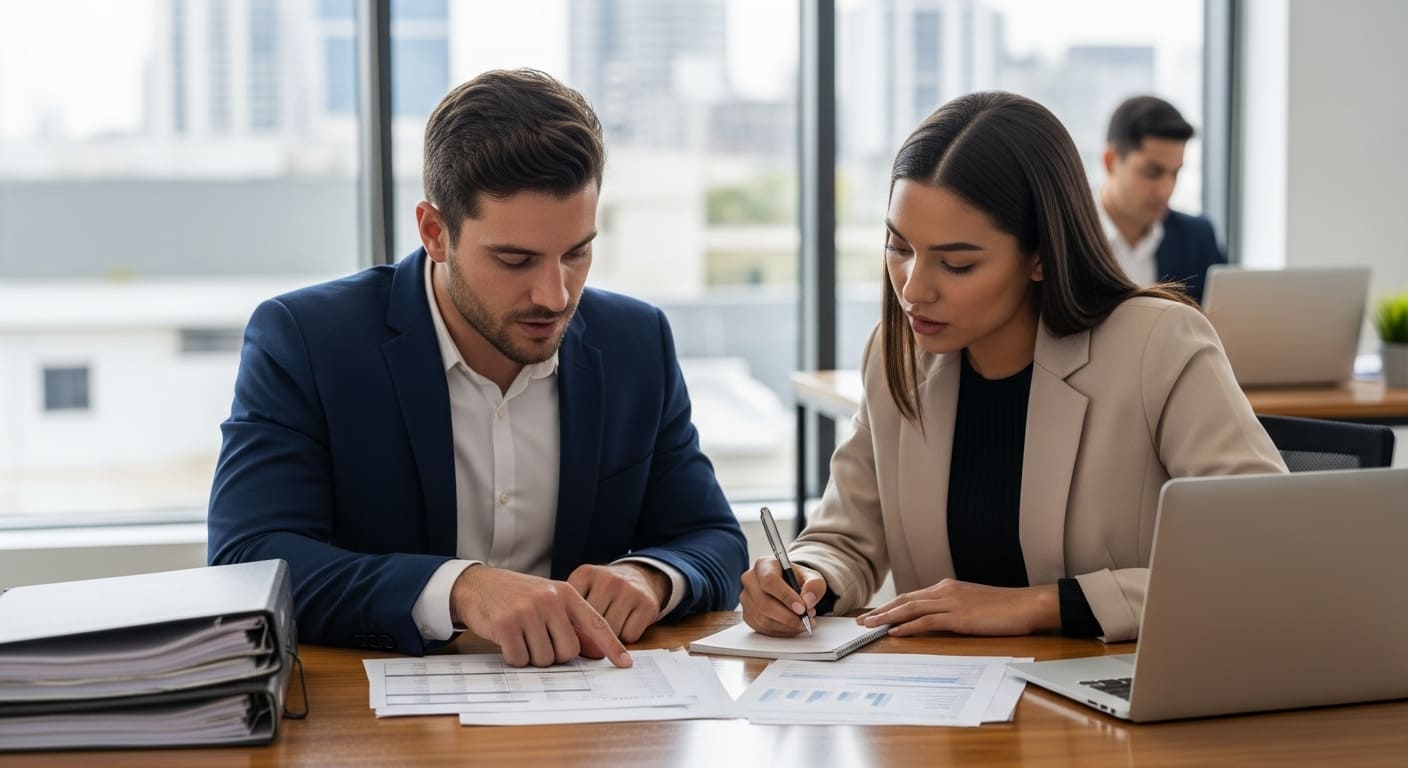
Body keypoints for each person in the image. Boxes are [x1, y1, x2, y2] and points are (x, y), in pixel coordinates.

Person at [208, 69, 747, 667]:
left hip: (592, 720)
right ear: (435, 232)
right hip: (382, 729)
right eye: (515, 259)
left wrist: (653, 576)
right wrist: (460, 588)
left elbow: (713, 539)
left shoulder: (635, 341)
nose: (555, 295)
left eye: (577, 252)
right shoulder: (308, 340)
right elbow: (248, 560)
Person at [740, 92, 1285, 643]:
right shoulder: (897, 354)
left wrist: (1038, 607)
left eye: (957, 263)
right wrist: (804, 578)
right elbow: (846, 539)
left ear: (1042, 254)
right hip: (947, 706)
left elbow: (1265, 550)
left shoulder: (1158, 344)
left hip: (1116, 698)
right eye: (899, 247)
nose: (913, 288)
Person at [1099, 95, 1225, 303]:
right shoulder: (1063, 237)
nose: (1165, 191)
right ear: (1111, 161)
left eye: (1175, 174)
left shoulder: (1197, 238)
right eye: (1152, 172)